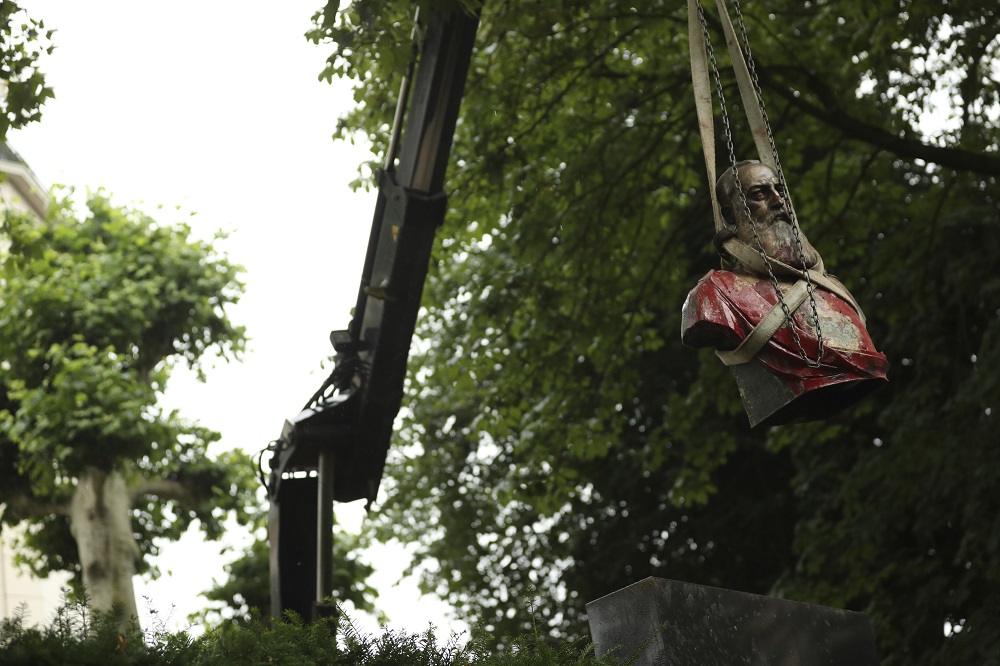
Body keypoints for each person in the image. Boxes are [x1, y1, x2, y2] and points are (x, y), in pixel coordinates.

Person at [681, 161, 888, 427]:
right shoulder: (714, 295)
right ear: (730, 216)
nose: (779, 201)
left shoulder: (832, 288)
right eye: (760, 194)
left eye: (780, 191)